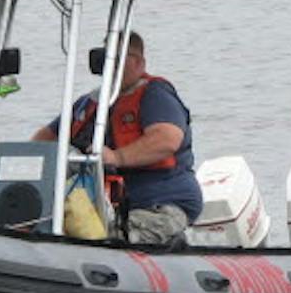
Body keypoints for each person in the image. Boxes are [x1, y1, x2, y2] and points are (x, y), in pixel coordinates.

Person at [34, 33, 200, 245]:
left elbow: (167, 139)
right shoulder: (89, 104)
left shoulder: (156, 95)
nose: (109, 64)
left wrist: (116, 157)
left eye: (117, 57)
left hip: (158, 205)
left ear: (139, 62)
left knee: (112, 241)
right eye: (105, 57)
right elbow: (43, 141)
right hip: (97, 208)